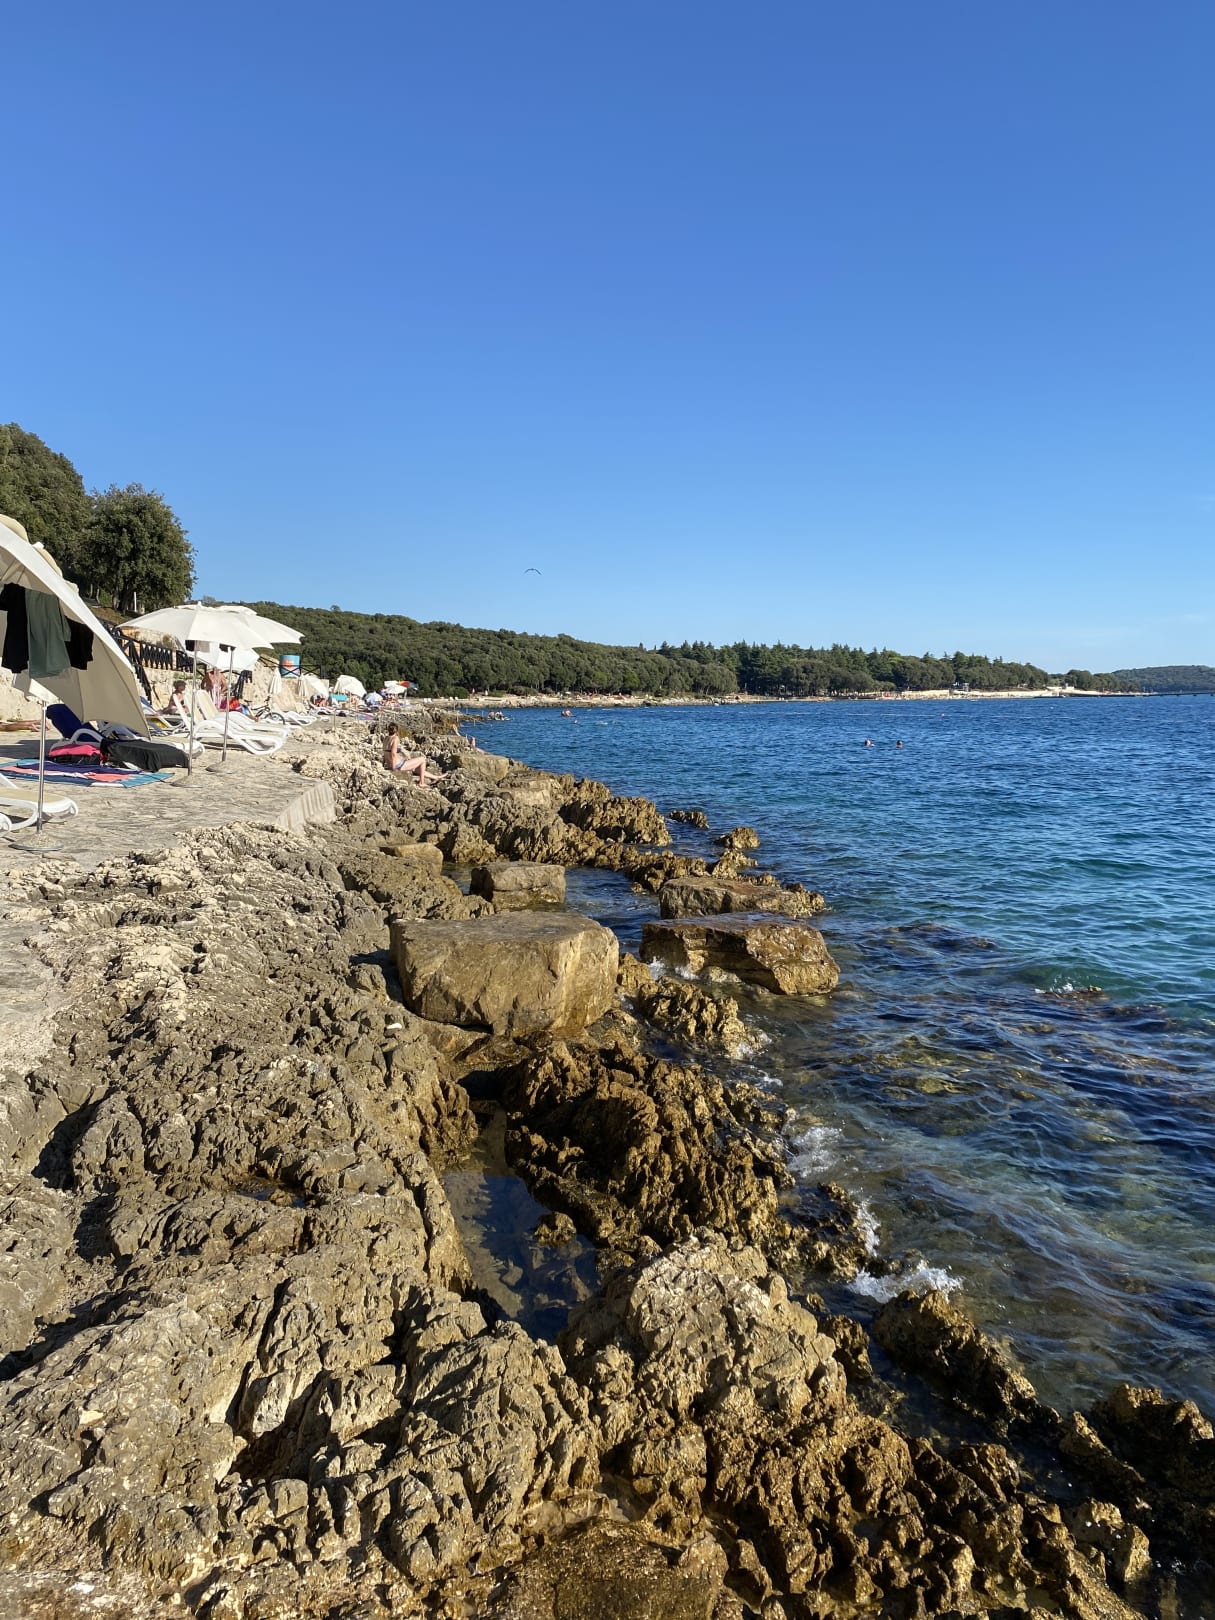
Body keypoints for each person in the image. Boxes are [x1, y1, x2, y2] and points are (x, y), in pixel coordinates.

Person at [382, 725, 447, 787]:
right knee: (422, 759)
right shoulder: (395, 738)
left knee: (416, 768)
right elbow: (393, 754)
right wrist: (394, 769)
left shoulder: (385, 738)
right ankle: (421, 783)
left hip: (391, 764)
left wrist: (383, 764)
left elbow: (385, 753)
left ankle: (436, 777)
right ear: (396, 731)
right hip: (398, 765)